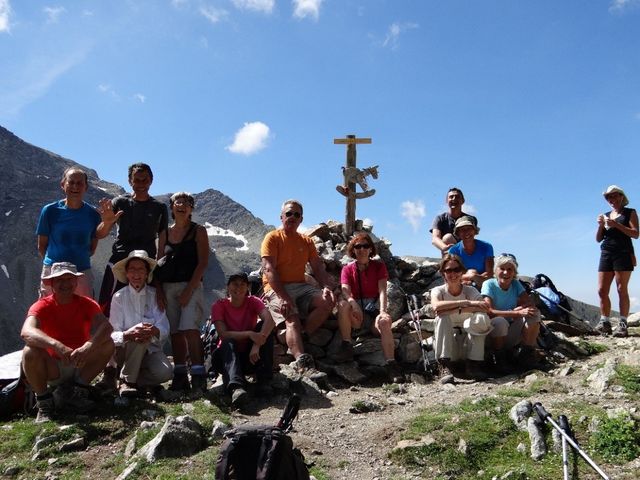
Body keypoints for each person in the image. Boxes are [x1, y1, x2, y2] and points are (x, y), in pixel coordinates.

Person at [20, 262, 114, 423]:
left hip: (80, 362)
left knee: (108, 344)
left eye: (69, 279)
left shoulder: (86, 303)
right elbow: (26, 332)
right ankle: (44, 403)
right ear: (51, 283)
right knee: (30, 351)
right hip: (54, 367)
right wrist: (57, 346)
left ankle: (76, 391)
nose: (65, 284)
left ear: (76, 282)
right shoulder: (41, 306)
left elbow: (106, 327)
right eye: (59, 280)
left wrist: (88, 346)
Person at [261, 199, 336, 377]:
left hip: (301, 286)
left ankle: (300, 337)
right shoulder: (272, 237)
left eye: (296, 214)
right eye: (289, 213)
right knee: (291, 317)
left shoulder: (306, 241)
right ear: (281, 217)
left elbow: (317, 267)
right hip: (276, 287)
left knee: (327, 301)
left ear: (301, 219)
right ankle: (302, 363)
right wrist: (284, 297)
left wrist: (326, 286)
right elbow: (269, 269)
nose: (292, 217)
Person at [96, 163, 168, 315]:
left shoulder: (159, 208)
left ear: (151, 180)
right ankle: (109, 338)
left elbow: (162, 240)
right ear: (130, 181)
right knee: (107, 307)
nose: (141, 184)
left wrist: (158, 273)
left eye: (145, 180)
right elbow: (100, 234)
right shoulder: (119, 202)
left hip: (145, 264)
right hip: (119, 262)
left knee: (142, 308)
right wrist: (107, 222)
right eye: (137, 180)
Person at [156, 192, 209, 393]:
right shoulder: (164, 233)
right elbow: (158, 263)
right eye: (178, 202)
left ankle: (198, 374)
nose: (182, 205)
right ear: (171, 207)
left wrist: (189, 290)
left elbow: (203, 263)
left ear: (191, 209)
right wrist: (159, 290)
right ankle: (180, 375)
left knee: (191, 329)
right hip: (168, 286)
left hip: (191, 284)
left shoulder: (198, 231)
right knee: (175, 332)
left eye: (187, 203)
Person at [337, 233, 403, 383]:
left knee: (385, 322)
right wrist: (353, 303)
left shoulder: (379, 266)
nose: (362, 249)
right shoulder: (347, 269)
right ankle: (346, 345)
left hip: (373, 311)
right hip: (356, 314)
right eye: (357, 246)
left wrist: (382, 312)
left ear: (370, 249)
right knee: (343, 304)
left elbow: (382, 290)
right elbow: (345, 290)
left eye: (365, 246)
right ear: (352, 250)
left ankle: (391, 364)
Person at [105, 250, 173, 397]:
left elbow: (164, 326)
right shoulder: (119, 297)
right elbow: (113, 333)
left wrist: (154, 330)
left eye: (141, 269)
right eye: (132, 269)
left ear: (147, 273)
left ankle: (133, 379)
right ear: (127, 273)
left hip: (150, 351)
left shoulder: (155, 295)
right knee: (139, 337)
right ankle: (127, 382)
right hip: (124, 352)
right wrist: (128, 335)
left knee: (166, 373)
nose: (136, 274)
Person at [212, 272, 275, 409]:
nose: (238, 288)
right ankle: (236, 388)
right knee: (229, 341)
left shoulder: (253, 301)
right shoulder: (219, 306)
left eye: (242, 285)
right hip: (225, 358)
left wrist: (257, 344)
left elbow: (269, 320)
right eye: (235, 284)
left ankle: (264, 381)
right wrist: (250, 334)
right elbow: (223, 334)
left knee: (264, 330)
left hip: (250, 357)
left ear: (247, 287)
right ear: (228, 287)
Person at [36, 167, 102, 297]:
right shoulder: (49, 211)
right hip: (52, 272)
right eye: (71, 182)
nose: (75, 186)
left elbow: (92, 248)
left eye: (79, 183)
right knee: (48, 313)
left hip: (81, 271)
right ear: (62, 184)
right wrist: (55, 266)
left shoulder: (93, 214)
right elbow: (41, 245)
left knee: (83, 314)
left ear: (86, 187)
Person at [430, 254, 493, 384]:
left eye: (456, 270)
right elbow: (436, 306)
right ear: (443, 273)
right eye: (448, 270)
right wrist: (467, 303)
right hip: (448, 345)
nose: (453, 274)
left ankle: (473, 364)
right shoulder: (438, 291)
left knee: (481, 318)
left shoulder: (470, 290)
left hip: (467, 342)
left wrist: (457, 308)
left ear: (462, 271)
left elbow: (485, 308)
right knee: (443, 317)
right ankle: (444, 365)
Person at [481, 254, 541, 372]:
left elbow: (529, 303)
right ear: (495, 270)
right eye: (502, 269)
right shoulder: (489, 284)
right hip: (493, 333)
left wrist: (520, 309)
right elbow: (490, 312)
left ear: (514, 272)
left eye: (510, 269)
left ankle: (526, 356)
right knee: (500, 321)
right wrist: (516, 313)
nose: (505, 272)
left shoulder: (515, 284)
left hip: (510, 330)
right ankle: (500, 360)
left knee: (534, 314)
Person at [595, 185, 638, 338]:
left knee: (621, 289)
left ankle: (622, 324)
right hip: (606, 252)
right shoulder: (607, 215)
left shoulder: (630, 212)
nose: (611, 199)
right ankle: (605, 322)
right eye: (609, 197)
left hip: (623, 253)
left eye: (614, 196)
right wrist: (600, 226)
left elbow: (635, 234)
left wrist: (616, 225)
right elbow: (598, 239)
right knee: (601, 290)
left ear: (621, 196)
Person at [447, 216, 494, 288]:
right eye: (462, 230)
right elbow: (453, 274)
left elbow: (489, 274)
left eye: (469, 228)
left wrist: (474, 276)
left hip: (483, 282)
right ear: (458, 233)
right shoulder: (453, 251)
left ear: (475, 231)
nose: (466, 232)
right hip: (463, 283)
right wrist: (471, 276)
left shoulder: (486, 247)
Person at [430, 187, 478, 255]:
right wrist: (446, 248)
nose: (454, 199)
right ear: (446, 200)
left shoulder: (470, 219)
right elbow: (435, 238)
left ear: (463, 201)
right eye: (451, 197)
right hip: (449, 255)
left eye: (457, 197)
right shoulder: (440, 219)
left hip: (467, 251)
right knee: (448, 238)